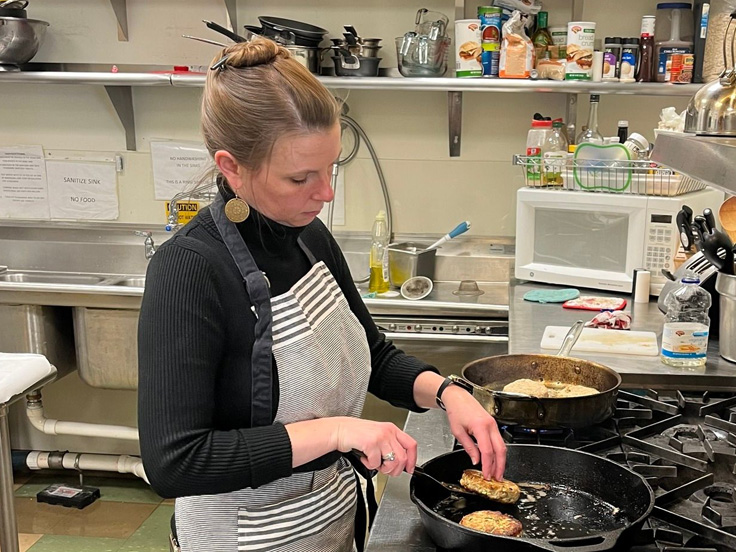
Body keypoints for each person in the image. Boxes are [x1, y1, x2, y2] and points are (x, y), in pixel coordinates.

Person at [137, 37, 506, 552]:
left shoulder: (309, 236)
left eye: (331, 167)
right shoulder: (189, 270)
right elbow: (175, 461)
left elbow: (371, 353)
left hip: (332, 517)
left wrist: (447, 394)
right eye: (300, 176)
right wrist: (338, 432)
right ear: (231, 167)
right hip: (244, 537)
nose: (325, 192)